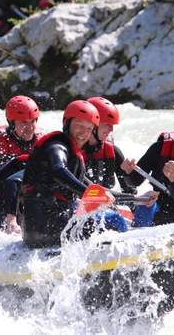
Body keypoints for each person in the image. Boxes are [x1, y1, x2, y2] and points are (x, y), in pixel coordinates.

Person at [17, 100, 108, 248]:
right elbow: (58, 170)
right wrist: (90, 194)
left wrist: (139, 199)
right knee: (106, 221)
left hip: (42, 227)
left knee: (106, 216)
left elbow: (97, 190)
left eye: (89, 128)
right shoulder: (56, 146)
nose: (83, 133)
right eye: (79, 125)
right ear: (67, 123)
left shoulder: (71, 157)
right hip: (42, 228)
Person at [82, 97, 134, 195]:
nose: (111, 129)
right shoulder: (71, 150)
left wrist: (128, 175)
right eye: (107, 124)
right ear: (92, 123)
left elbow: (129, 192)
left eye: (112, 125)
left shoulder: (113, 151)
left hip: (103, 207)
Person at [0, 95, 41, 176]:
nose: (30, 128)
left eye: (32, 121)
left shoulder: (41, 142)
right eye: (24, 122)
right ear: (11, 123)